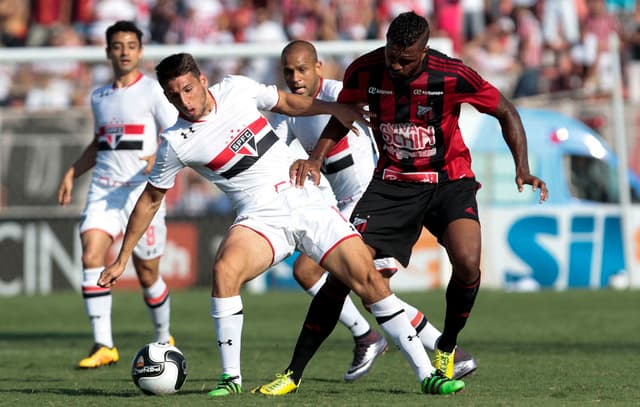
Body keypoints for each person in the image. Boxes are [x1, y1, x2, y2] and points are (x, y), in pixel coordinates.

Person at [97, 52, 466, 397]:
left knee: (368, 281)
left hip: (306, 201)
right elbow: (150, 199)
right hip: (260, 217)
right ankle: (231, 379)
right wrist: (121, 258)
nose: (185, 101)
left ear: (203, 80)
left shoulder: (237, 89)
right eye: (174, 96)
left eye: (189, 89)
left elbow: (287, 103)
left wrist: (333, 108)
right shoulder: (175, 142)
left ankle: (426, 374)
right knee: (225, 271)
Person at [255, 11, 548, 395]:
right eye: (392, 54)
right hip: (391, 184)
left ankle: (446, 347)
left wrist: (522, 168)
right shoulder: (365, 71)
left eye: (405, 59)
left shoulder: (452, 74)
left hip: (448, 181)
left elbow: (505, 110)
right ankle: (292, 375)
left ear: (424, 52)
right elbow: (342, 117)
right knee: (344, 274)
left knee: (467, 262)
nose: (396, 64)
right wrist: (316, 157)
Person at [272, 39, 477, 382]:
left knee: (323, 274)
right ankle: (418, 347)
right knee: (359, 288)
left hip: (373, 196)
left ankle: (375, 339)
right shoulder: (294, 111)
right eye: (288, 71)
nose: (295, 77)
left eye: (302, 69)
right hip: (343, 202)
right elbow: (273, 148)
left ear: (319, 67)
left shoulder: (343, 90)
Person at [56, 20, 178, 369]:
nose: (124, 52)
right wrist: (71, 171)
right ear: (108, 51)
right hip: (104, 190)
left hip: (141, 192)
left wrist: (157, 156)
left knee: (147, 274)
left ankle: (163, 336)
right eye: (117, 46)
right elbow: (100, 143)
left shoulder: (153, 91)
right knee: (91, 253)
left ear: (140, 51)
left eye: (130, 45)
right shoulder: (99, 96)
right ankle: (104, 344)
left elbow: (177, 132)